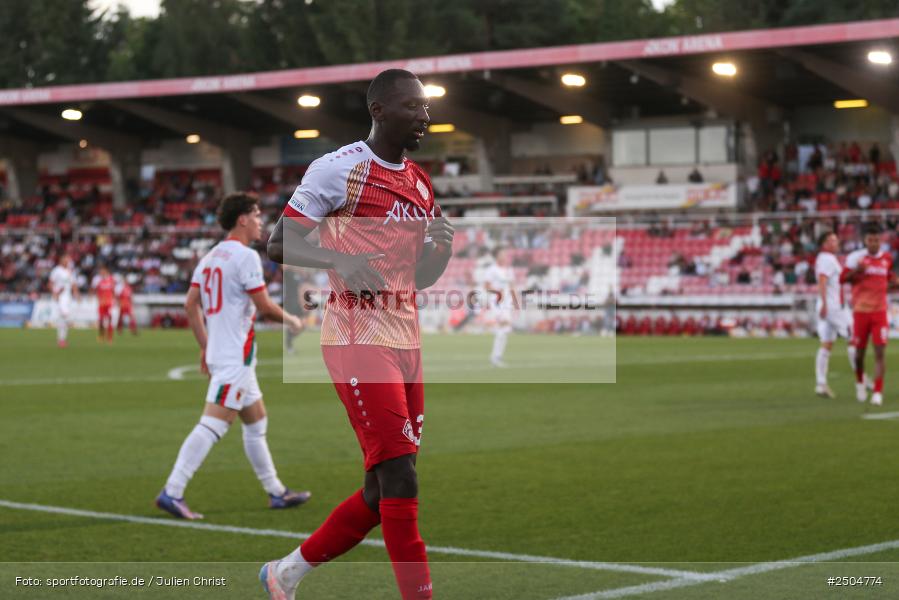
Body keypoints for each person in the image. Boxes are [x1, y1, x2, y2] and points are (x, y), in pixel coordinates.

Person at [263, 68, 454, 600]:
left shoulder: (419, 181)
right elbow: (280, 243)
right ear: (379, 110)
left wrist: (441, 250)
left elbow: (419, 277)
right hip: (355, 337)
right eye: (413, 106)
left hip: (405, 339)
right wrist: (339, 261)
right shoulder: (337, 170)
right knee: (402, 480)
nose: (425, 115)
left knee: (382, 487)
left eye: (426, 107)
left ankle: (285, 573)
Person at [156, 193, 309, 520]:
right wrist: (294, 320)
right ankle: (173, 490)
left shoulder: (210, 257)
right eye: (255, 215)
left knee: (256, 421)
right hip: (234, 358)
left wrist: (204, 346)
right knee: (213, 424)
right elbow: (264, 307)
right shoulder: (245, 257)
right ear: (242, 219)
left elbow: (190, 305)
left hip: (229, 356)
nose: (260, 222)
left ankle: (276, 492)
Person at [843, 223, 898, 405]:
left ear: (881, 240)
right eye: (870, 240)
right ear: (865, 241)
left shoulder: (887, 258)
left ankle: (877, 392)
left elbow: (889, 278)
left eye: (876, 240)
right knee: (859, 355)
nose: (874, 243)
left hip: (880, 313)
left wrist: (893, 282)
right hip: (860, 313)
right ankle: (860, 382)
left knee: (880, 352)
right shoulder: (856, 259)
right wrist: (857, 272)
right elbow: (843, 278)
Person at [813, 232, 856, 398]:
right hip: (834, 307)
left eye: (836, 239)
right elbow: (822, 281)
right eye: (832, 240)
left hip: (829, 307)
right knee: (853, 338)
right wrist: (824, 303)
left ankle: (821, 384)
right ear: (824, 244)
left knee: (826, 345)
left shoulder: (825, 258)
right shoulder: (827, 259)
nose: (836, 242)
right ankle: (861, 379)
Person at [476, 247, 514, 367]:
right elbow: (486, 286)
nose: (505, 256)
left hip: (507, 302)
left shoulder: (509, 270)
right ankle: (495, 357)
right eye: (502, 254)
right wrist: (498, 291)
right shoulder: (492, 270)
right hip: (497, 302)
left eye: (505, 254)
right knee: (503, 326)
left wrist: (515, 301)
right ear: (497, 256)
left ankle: (497, 356)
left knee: (505, 329)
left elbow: (512, 286)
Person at [48, 254, 79, 348]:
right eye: (66, 260)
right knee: (65, 315)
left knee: (62, 321)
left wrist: (76, 293)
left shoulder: (70, 271)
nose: (67, 262)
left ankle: (62, 340)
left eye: (68, 260)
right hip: (60, 296)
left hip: (68, 297)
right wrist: (54, 293)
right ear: (61, 261)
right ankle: (62, 337)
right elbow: (50, 283)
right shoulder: (56, 270)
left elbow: (73, 283)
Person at [92, 265, 116, 343]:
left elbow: (114, 291)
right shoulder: (97, 280)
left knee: (110, 320)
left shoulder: (111, 279)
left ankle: (110, 338)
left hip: (109, 303)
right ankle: (101, 335)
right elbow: (94, 289)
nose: (101, 272)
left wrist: (115, 300)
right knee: (101, 320)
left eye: (103, 271)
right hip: (101, 303)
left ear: (106, 271)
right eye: (100, 271)